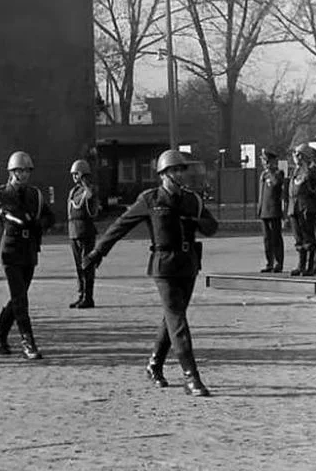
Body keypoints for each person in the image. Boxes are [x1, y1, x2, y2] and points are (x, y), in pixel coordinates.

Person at [82, 149, 218, 397]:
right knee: (177, 319)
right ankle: (191, 377)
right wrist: (97, 253)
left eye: (181, 169)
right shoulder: (151, 199)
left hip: (188, 263)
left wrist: (195, 221)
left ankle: (154, 364)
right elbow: (119, 226)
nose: (180, 174)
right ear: (163, 174)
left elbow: (212, 227)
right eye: (175, 170)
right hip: (163, 265)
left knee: (172, 318)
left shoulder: (192, 200)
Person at [0, 150, 55, 360]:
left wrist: (38, 223)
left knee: (17, 298)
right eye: (20, 171)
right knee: (21, 299)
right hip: (10, 250)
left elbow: (50, 217)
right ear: (12, 172)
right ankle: (27, 341)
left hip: (29, 250)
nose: (24, 175)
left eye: (27, 171)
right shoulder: (0, 193)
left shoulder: (35, 195)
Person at [287, 145, 316, 276]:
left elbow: (315, 189)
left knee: (308, 239)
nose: (296, 158)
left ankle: (311, 266)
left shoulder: (311, 171)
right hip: (295, 208)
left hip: (306, 208)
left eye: (299, 155)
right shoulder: (295, 171)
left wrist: (309, 170)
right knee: (298, 239)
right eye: (295, 155)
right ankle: (301, 265)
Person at [67, 159, 100, 307]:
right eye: (73, 174)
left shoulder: (90, 189)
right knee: (79, 267)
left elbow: (90, 196)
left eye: (77, 174)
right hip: (74, 231)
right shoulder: (74, 191)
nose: (75, 177)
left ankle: (88, 297)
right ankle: (81, 294)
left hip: (85, 231)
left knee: (87, 265)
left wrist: (86, 183)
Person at [257, 149, 285, 273]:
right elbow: (261, 194)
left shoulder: (278, 173)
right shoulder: (263, 175)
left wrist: (271, 170)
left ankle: (278, 262)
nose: (263, 163)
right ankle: (269, 262)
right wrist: (259, 208)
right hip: (264, 211)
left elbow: (276, 184)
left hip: (274, 211)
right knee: (267, 239)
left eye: (265, 160)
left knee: (276, 238)